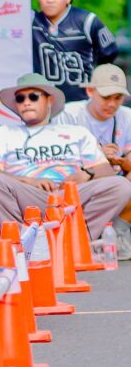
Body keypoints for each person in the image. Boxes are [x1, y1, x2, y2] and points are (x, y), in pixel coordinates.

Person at [0, 73, 131, 239]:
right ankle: (23, 242)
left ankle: (76, 241)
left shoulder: (76, 132)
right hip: (27, 195)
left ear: (49, 100)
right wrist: (29, 181)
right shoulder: (4, 132)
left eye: (33, 96)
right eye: (20, 98)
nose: (26, 102)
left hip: (70, 195)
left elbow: (105, 169)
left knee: (120, 185)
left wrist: (86, 174)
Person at [53, 63, 131, 257]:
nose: (112, 104)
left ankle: (118, 235)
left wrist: (122, 161)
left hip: (117, 184)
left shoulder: (127, 116)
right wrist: (98, 158)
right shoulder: (68, 115)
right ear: (90, 91)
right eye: (106, 97)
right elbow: (61, 166)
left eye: (118, 97)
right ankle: (81, 238)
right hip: (82, 184)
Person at [32, 0, 119, 103]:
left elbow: (110, 52)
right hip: (44, 105)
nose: (50, 0)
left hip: (81, 102)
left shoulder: (87, 21)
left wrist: (96, 80)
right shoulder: (31, 21)